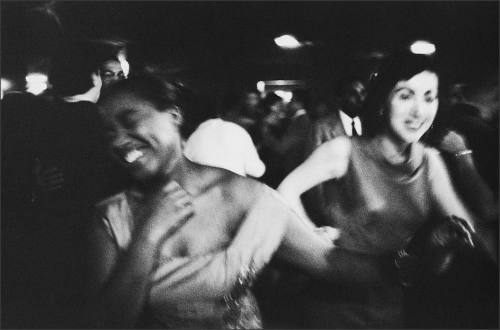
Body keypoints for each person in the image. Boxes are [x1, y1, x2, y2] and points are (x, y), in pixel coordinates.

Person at [277, 51, 480, 328]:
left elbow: (467, 233)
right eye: (406, 95)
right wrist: (314, 237)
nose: (419, 111)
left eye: (429, 98)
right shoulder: (344, 150)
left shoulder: (429, 161)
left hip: (389, 303)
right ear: (384, 99)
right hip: (335, 305)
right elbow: (284, 193)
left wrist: (441, 244)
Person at [302, 76, 367, 223]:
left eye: (363, 93)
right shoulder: (321, 127)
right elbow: (312, 174)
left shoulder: (371, 126)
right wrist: (322, 214)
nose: (360, 98)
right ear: (339, 98)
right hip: (336, 213)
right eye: (353, 94)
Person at [183, 118, 266, 178]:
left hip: (188, 177)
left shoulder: (208, 124)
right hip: (219, 190)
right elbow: (258, 171)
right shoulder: (243, 136)